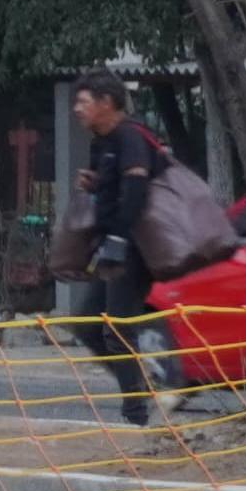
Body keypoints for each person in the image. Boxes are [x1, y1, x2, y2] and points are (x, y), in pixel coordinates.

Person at [68, 73, 175, 425]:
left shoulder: (128, 136)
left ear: (106, 103)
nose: (77, 110)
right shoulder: (105, 141)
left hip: (134, 249)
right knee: (87, 324)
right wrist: (96, 182)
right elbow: (114, 190)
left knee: (117, 327)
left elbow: (135, 191)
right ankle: (145, 389)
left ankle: (139, 412)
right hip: (114, 247)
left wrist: (118, 239)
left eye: (84, 102)